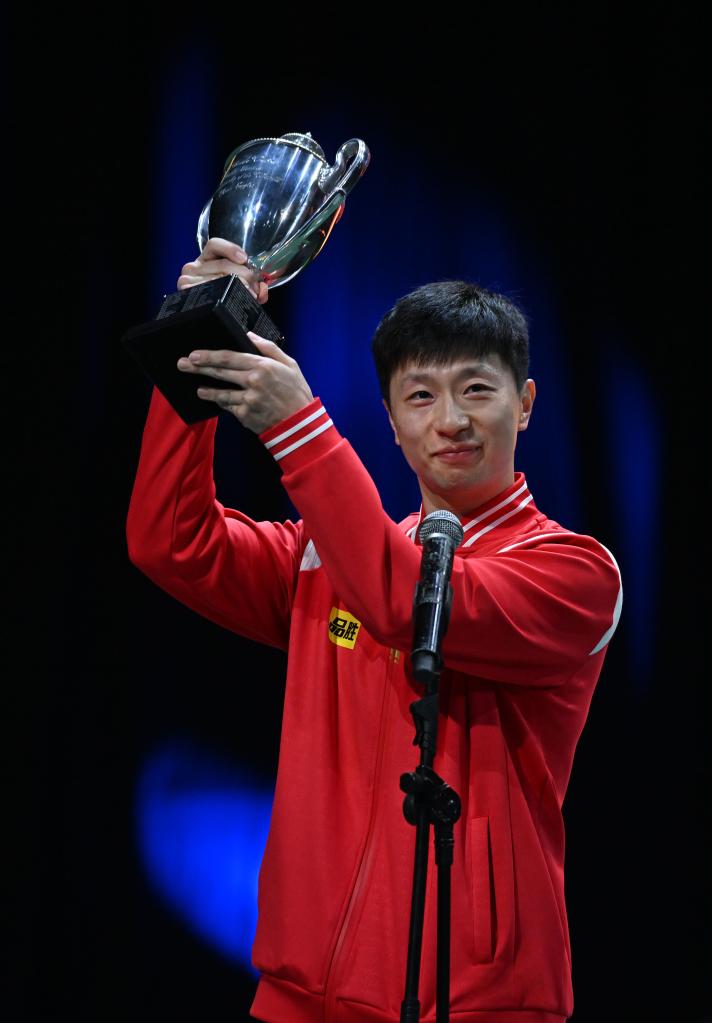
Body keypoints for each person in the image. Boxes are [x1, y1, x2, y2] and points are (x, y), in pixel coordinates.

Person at [127, 237, 622, 1023]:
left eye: (476, 389)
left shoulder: (574, 573)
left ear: (525, 403)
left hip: (474, 1000)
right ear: (390, 421)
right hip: (297, 990)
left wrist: (299, 427)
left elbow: (406, 601)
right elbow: (171, 540)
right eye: (419, 396)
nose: (451, 420)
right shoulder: (325, 556)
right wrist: (193, 344)